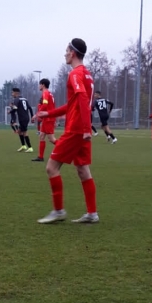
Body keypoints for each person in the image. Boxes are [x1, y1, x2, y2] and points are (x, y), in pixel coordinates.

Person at [36, 38, 98, 223]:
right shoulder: (87, 74)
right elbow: (73, 104)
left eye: (66, 50)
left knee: (51, 167)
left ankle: (58, 211)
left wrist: (86, 128)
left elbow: (81, 98)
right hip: (81, 129)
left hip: (75, 129)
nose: (64, 54)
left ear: (72, 53)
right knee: (83, 170)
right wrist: (48, 114)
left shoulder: (75, 74)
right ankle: (92, 213)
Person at [33, 78, 56, 161]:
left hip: (49, 118)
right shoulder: (49, 93)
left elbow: (45, 105)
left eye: (39, 84)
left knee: (51, 139)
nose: (39, 86)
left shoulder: (45, 93)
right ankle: (40, 157)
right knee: (42, 136)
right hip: (47, 118)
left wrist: (37, 114)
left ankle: (66, 149)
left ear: (42, 85)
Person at [10, 88, 34, 152]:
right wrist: (32, 116)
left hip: (22, 118)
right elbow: (30, 108)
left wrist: (11, 110)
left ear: (16, 93)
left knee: (25, 132)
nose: (12, 94)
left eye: (12, 93)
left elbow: (15, 108)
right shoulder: (25, 99)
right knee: (20, 131)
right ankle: (23, 146)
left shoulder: (16, 99)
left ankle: (30, 148)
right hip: (26, 117)